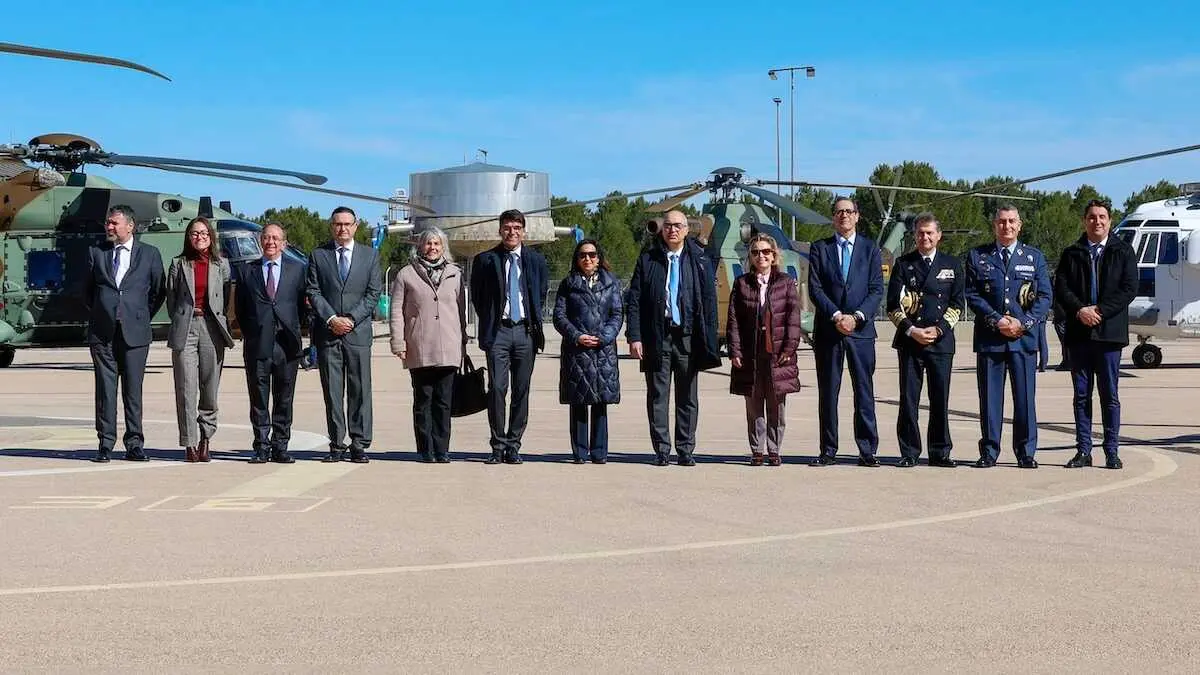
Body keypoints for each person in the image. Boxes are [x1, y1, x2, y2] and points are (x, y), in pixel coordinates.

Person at [626, 209, 721, 466]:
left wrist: (709, 337)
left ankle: (686, 448)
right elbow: (634, 300)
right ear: (662, 229)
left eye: (678, 226)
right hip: (658, 335)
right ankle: (662, 449)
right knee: (657, 394)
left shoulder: (699, 259)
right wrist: (635, 336)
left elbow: (709, 303)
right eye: (668, 225)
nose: (673, 230)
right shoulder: (648, 260)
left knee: (687, 396)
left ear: (687, 229)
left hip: (688, 336)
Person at [964, 204, 1051, 468]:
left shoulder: (1034, 257)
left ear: (1020, 225)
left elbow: (1045, 297)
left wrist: (1023, 323)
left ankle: (1026, 452)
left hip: (1023, 341)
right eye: (1002, 222)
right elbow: (972, 294)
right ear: (994, 225)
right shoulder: (978, 256)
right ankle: (989, 451)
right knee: (990, 400)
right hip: (991, 339)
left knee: (1025, 399)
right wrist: (997, 320)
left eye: (1012, 221)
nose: (1007, 226)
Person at [1055, 199, 1138, 469]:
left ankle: (1111, 451)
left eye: (1102, 217)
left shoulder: (1123, 251)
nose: (1097, 221)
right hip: (1079, 335)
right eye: (1092, 217)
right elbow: (1063, 288)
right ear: (1084, 221)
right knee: (1081, 396)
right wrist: (1080, 310)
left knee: (1109, 396)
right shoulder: (1072, 253)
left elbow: (1128, 289)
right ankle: (1083, 450)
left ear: (1110, 221)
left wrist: (1100, 311)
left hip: (1109, 335)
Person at [84, 205, 166, 463]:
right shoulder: (96, 253)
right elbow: (87, 291)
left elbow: (158, 291)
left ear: (130, 226)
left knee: (133, 391)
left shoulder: (150, 254)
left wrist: (139, 315)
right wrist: (103, 311)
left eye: (114, 223)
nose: (109, 227)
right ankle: (105, 443)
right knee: (105, 391)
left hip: (135, 332)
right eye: (108, 223)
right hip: (103, 333)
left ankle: (134, 443)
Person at [807, 197, 884, 467]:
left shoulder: (870, 249)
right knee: (828, 393)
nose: (844, 216)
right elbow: (815, 289)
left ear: (857, 216)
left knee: (864, 391)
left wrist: (858, 317)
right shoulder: (820, 248)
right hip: (829, 331)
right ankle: (828, 449)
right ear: (833, 217)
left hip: (861, 333)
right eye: (839, 212)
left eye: (849, 211)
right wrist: (837, 315)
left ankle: (867, 449)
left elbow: (876, 289)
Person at [470, 209, 550, 465]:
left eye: (516, 228)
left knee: (521, 390)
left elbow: (540, 292)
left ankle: (514, 445)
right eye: (507, 227)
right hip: (499, 332)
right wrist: (492, 321)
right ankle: (497, 445)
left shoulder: (535, 260)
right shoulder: (486, 260)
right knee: (497, 388)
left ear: (523, 231)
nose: (512, 232)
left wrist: (531, 319)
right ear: (500, 230)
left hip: (525, 332)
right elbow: (478, 297)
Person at [885, 213, 964, 468]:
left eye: (930, 232)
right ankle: (909, 451)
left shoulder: (952, 264)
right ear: (914, 235)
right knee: (909, 400)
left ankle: (940, 452)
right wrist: (911, 330)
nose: (925, 237)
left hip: (941, 343)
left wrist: (939, 330)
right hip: (911, 341)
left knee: (940, 399)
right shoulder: (903, 264)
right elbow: (892, 306)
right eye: (920, 233)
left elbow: (957, 304)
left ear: (939, 235)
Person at [307, 206, 383, 464]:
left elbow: (373, 294)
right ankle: (336, 443)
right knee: (333, 392)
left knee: (360, 390)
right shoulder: (319, 255)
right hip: (328, 334)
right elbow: (313, 291)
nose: (342, 229)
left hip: (358, 333)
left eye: (347, 224)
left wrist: (350, 319)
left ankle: (359, 443)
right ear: (331, 226)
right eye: (338, 224)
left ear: (356, 226)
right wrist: (331, 319)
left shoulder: (370, 256)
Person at [232, 224, 308, 464]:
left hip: (287, 344)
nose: (271, 242)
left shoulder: (298, 270)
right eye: (266, 238)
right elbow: (241, 309)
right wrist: (253, 333)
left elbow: (302, 307)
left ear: (284, 243)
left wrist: (296, 330)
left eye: (275, 238)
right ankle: (261, 445)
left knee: (284, 397)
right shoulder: (247, 271)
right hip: (258, 344)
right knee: (259, 398)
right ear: (260, 241)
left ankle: (281, 445)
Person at [389, 227, 466, 463]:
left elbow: (461, 310)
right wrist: (398, 341)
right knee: (423, 400)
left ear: (443, 247)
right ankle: (425, 449)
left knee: (444, 402)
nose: (432, 248)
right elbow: (397, 311)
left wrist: (463, 340)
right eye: (428, 243)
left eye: (437, 244)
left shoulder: (455, 273)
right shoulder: (406, 274)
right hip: (419, 346)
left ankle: (442, 449)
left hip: (449, 346)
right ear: (420, 246)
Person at [726, 234, 802, 466]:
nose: (761, 256)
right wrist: (735, 351)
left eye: (766, 252)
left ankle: (774, 449)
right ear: (750, 256)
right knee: (753, 404)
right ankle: (757, 449)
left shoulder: (786, 282)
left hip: (778, 352)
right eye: (756, 252)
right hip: (751, 353)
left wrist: (790, 346)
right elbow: (734, 320)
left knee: (776, 405)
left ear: (774, 255)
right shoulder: (741, 284)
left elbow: (793, 317)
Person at [166, 217, 234, 463]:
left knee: (210, 387)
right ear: (188, 237)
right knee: (185, 388)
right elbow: (171, 299)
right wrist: (183, 318)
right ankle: (189, 442)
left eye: (204, 233)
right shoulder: (178, 264)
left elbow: (226, 298)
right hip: (186, 327)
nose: (199, 237)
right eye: (194, 233)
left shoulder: (222, 264)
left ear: (211, 236)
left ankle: (206, 437)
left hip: (212, 327)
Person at [553, 239, 624, 464]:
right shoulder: (568, 284)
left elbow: (617, 314)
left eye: (592, 255)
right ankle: (580, 452)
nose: (588, 259)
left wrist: (604, 337)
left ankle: (600, 452)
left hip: (603, 350)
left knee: (601, 401)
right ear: (577, 258)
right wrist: (576, 335)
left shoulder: (611, 283)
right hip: (577, 350)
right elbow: (559, 316)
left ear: (599, 258)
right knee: (579, 400)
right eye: (583, 255)